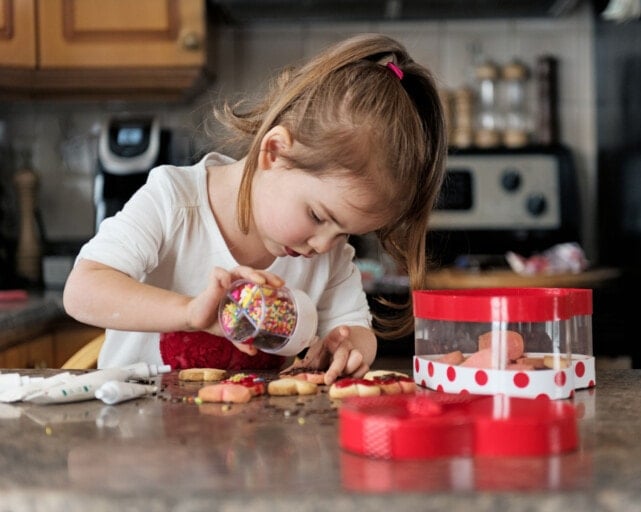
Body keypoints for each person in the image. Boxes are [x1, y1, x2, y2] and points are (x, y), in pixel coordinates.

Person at [63, 33, 447, 384]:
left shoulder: (326, 257)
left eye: (345, 232)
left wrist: (349, 348)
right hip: (138, 439)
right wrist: (190, 311)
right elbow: (83, 290)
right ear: (274, 152)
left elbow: (355, 328)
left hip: (253, 449)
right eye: (318, 216)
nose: (325, 245)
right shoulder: (175, 202)